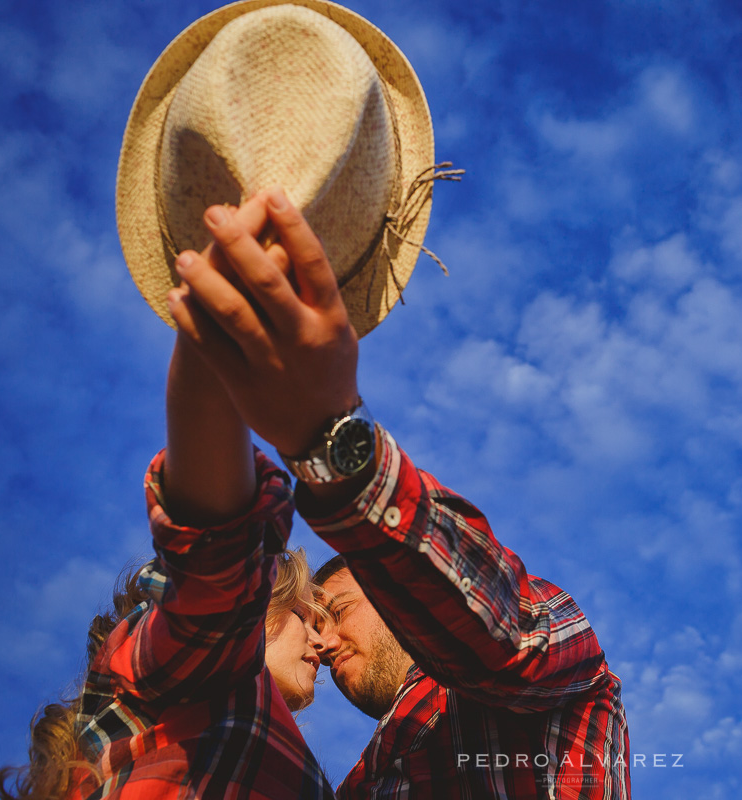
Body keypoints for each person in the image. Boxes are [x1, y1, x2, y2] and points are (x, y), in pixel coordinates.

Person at [170, 184, 633, 798]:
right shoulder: (347, 785)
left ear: (390, 589)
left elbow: (501, 633)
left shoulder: (553, 666)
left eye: (335, 611)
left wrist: (332, 444)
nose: (326, 644)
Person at [0, 198, 336, 800]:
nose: (323, 643)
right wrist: (219, 341)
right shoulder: (213, 672)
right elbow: (216, 555)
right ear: (260, 599)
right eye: (309, 616)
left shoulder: (230, 720)